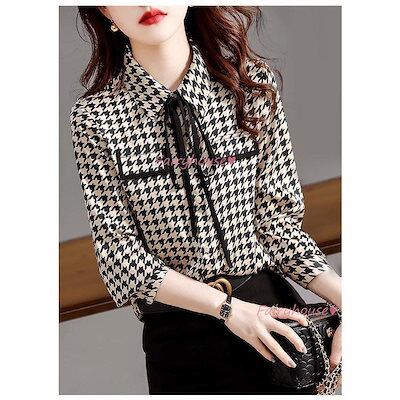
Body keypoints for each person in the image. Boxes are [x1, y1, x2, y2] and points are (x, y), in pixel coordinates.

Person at [70, 5, 342, 394]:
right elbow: (119, 254)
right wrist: (227, 310)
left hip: (274, 325)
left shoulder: (249, 86)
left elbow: (276, 224)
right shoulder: (95, 119)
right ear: (104, 10)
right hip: (180, 344)